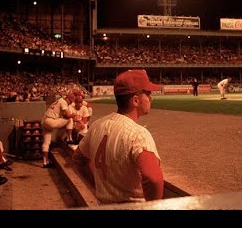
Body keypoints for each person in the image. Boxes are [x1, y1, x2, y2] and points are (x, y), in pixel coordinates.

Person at [72, 69, 164, 204]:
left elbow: (78, 159)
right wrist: (153, 206)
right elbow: (153, 178)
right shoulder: (138, 134)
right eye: (148, 93)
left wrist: (96, 186)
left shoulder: (97, 125)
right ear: (136, 100)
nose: (151, 98)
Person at [41, 93, 75, 168]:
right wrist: (74, 116)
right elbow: (68, 115)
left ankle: (45, 162)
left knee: (46, 142)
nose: (70, 102)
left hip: (45, 121)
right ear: (68, 98)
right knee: (70, 120)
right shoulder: (63, 102)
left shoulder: (59, 100)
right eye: (70, 99)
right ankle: (69, 139)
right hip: (51, 121)